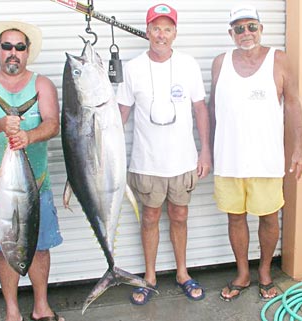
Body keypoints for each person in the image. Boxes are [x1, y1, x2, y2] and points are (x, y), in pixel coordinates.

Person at [0, 21, 65, 321]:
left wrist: (28, 136)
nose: (13, 53)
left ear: (27, 52)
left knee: (41, 247)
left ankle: (41, 307)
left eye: (19, 47)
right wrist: (0, 124)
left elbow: (53, 123)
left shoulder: (42, 85)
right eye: (7, 46)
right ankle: (12, 312)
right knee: (4, 246)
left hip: (38, 185)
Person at [209, 4, 302, 302]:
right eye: (239, 28)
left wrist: (299, 149)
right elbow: (214, 108)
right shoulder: (220, 62)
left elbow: (292, 104)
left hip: (266, 160)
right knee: (235, 218)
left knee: (268, 218)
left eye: (252, 26)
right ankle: (242, 272)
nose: (246, 33)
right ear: (231, 33)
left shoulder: (278, 59)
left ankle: (264, 271)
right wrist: (210, 150)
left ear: (261, 29)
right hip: (229, 160)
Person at [116, 3, 211, 305]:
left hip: (182, 161)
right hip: (146, 162)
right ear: (147, 32)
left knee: (180, 216)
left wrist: (205, 151)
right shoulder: (132, 68)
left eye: (167, 29)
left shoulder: (188, 64)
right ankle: (150, 277)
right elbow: (121, 115)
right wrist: (110, 159)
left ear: (174, 33)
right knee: (149, 219)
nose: (161, 34)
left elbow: (200, 109)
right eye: (155, 28)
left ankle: (182, 273)